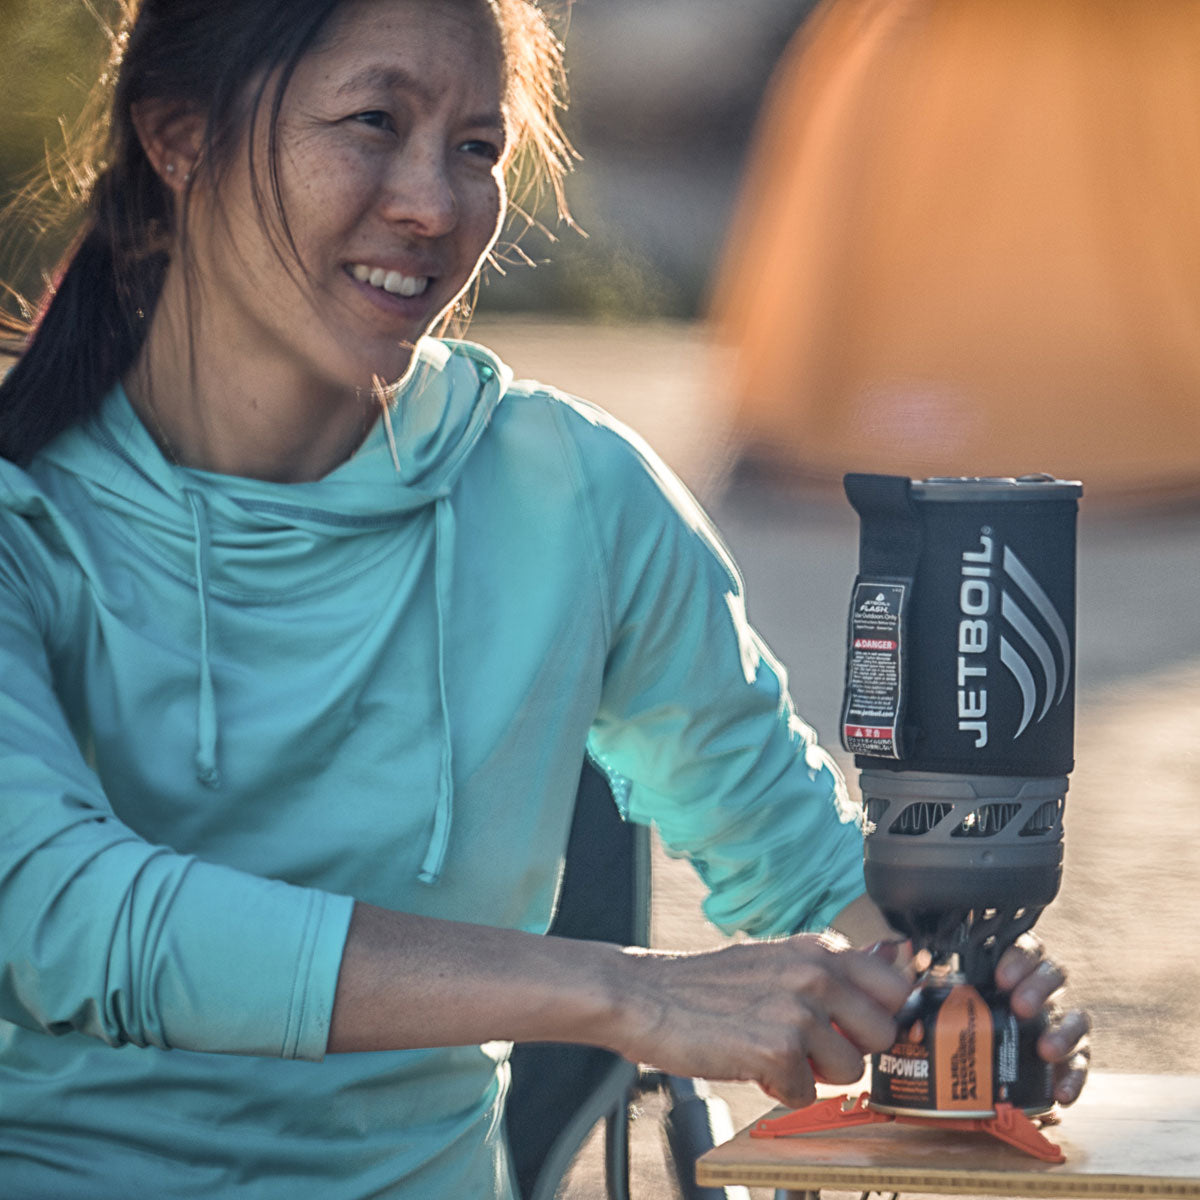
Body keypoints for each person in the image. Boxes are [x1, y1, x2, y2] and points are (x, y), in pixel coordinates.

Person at [0, 0, 1088, 1196]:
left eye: (477, 148)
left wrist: (950, 987)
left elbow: (793, 856)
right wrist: (633, 992)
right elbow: (62, 916)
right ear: (180, 137)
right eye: (373, 122)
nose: (432, 204)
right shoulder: (28, 514)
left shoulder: (571, 493)